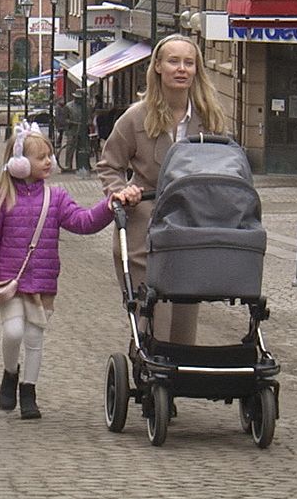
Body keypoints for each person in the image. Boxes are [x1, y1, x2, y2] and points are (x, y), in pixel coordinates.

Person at [0, 122, 133, 420]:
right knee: (13, 331)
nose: (48, 161)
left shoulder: (56, 198)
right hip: (9, 280)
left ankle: (28, 390)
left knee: (35, 339)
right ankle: (10, 372)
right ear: (19, 163)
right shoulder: (1, 198)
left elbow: (82, 222)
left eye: (49, 155)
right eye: (40, 157)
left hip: (43, 283)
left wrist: (109, 206)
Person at [97, 33, 226, 345]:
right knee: (153, 311)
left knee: (184, 315)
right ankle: (150, 365)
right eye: (173, 61)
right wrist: (120, 192)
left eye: (188, 63)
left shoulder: (209, 117)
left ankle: (177, 374)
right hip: (146, 223)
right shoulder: (136, 117)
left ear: (196, 70)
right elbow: (109, 165)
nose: (181, 69)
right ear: (158, 66)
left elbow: (225, 162)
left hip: (191, 222)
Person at [63, 93, 83, 170]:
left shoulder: (85, 106)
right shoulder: (68, 106)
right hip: (72, 130)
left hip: (82, 130)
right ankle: (68, 164)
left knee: (81, 148)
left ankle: (80, 165)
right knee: (70, 147)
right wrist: (71, 122)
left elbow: (89, 117)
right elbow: (65, 118)